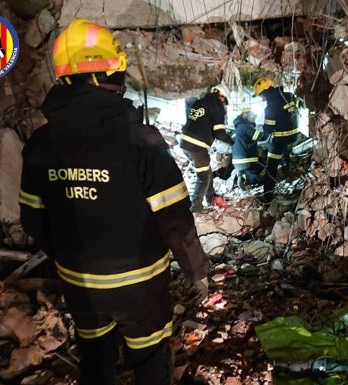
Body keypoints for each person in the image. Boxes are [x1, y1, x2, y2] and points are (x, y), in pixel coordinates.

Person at [18, 18, 209, 385]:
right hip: (140, 287)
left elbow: (33, 220)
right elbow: (175, 220)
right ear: (107, 73)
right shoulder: (141, 141)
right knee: (150, 361)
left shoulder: (40, 144)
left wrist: (71, 256)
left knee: (96, 360)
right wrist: (196, 269)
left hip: (79, 284)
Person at [179, 85, 234, 212]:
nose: (224, 104)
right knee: (203, 177)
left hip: (185, 143)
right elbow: (219, 133)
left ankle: (211, 198)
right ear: (221, 96)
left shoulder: (200, 102)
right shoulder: (217, 106)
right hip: (197, 146)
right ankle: (196, 208)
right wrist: (233, 142)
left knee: (206, 171)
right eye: (225, 101)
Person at [252, 77, 300, 200]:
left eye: (261, 96)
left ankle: (267, 196)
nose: (262, 99)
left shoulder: (270, 107)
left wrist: (258, 133)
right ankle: (287, 167)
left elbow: (268, 129)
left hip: (280, 140)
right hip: (294, 136)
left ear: (265, 92)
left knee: (270, 168)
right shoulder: (289, 96)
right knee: (284, 156)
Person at [231, 108, 269, 190]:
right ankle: (248, 182)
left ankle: (242, 178)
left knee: (259, 165)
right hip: (247, 160)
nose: (254, 118)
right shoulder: (245, 127)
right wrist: (269, 129)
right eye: (252, 115)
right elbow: (260, 136)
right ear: (245, 115)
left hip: (237, 161)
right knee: (257, 177)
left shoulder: (238, 127)